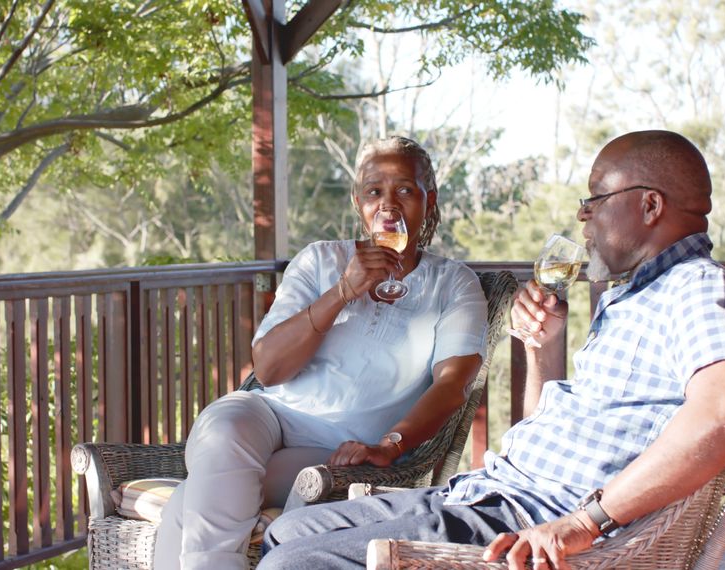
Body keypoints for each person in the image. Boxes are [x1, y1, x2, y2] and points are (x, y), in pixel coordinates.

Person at [258, 129, 725, 570]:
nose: (582, 215)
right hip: (488, 493)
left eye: (594, 200)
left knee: (291, 562)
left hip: (522, 519)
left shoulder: (698, 287)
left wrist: (585, 522)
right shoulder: (629, 297)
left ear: (650, 205)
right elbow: (543, 428)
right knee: (289, 531)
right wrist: (543, 349)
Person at [153, 136, 489, 569]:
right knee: (225, 425)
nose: (387, 205)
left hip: (341, 446)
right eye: (374, 192)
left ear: (429, 199)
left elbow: (452, 385)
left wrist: (389, 445)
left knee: (195, 496)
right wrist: (342, 292)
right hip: (268, 416)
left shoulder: (454, 283)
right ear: (357, 201)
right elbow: (269, 370)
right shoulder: (320, 260)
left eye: (404, 190)